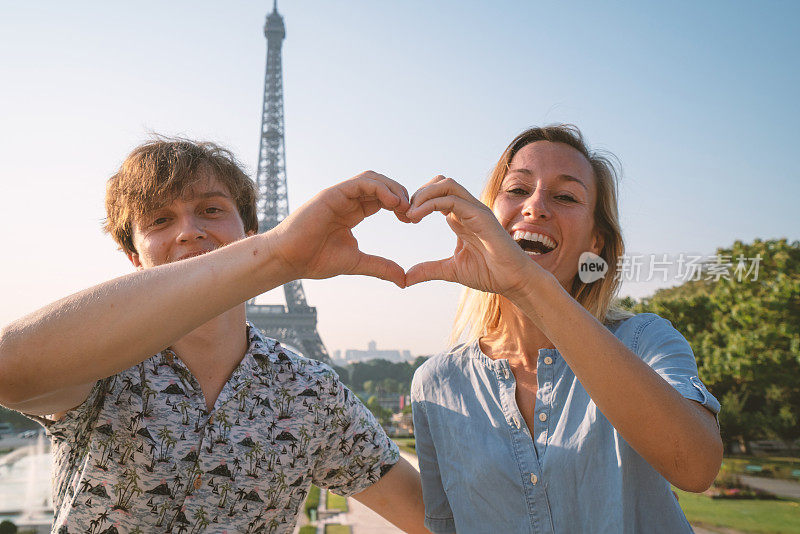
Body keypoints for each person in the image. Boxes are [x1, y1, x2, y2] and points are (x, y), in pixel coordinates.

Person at [0, 139, 428, 533]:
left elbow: (436, 520)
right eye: (160, 219)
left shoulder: (311, 394)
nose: (189, 231)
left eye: (211, 210)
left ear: (250, 234)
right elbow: (8, 371)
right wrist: (277, 256)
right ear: (133, 254)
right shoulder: (100, 364)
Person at [405, 125, 723, 533]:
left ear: (596, 244)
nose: (535, 206)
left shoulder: (646, 340)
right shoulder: (435, 383)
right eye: (517, 190)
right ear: (486, 218)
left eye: (566, 196)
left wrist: (529, 286)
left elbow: (696, 466)